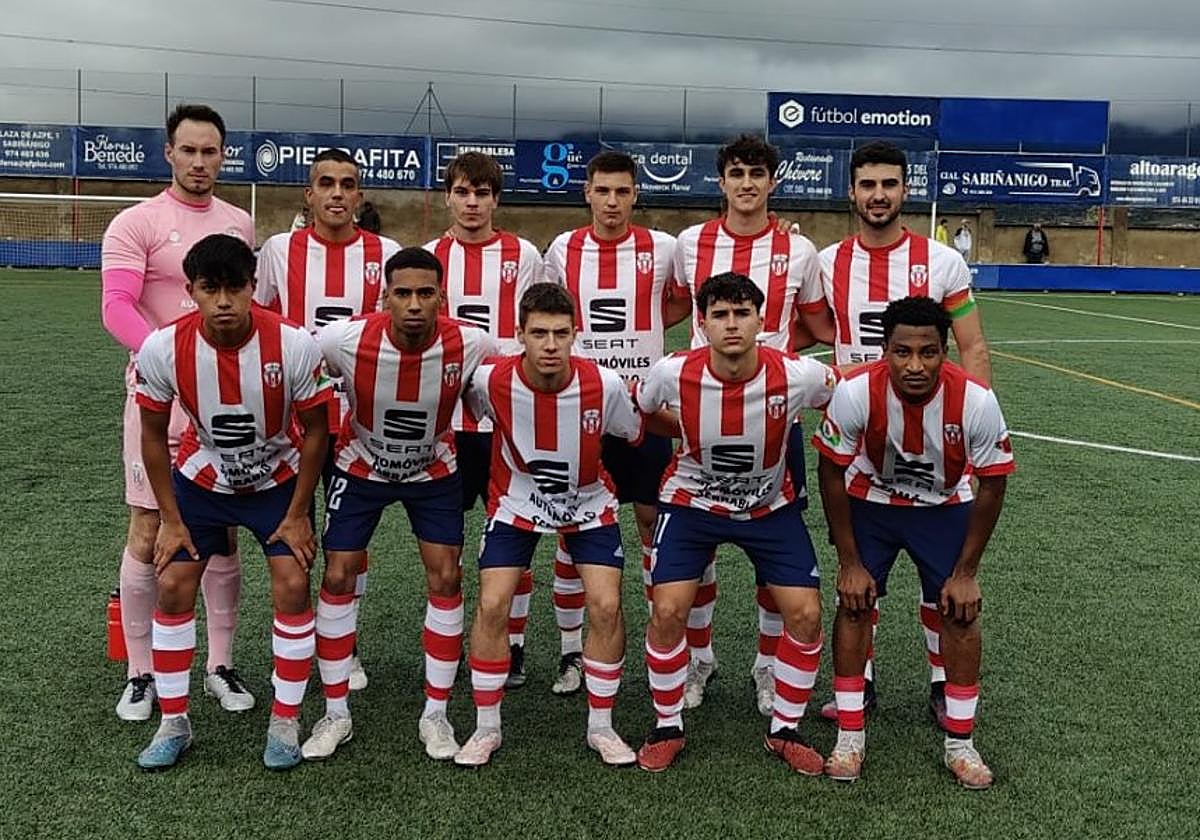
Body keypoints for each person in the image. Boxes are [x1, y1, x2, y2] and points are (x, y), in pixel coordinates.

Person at [132, 234, 332, 770]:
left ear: (252, 288)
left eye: (235, 288)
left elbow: (317, 432)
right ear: (191, 291)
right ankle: (174, 721)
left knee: (291, 582)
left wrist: (296, 515)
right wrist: (170, 520)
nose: (224, 301)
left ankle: (285, 721)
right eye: (210, 289)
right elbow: (153, 435)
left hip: (277, 481)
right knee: (173, 583)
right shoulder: (162, 348)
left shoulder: (293, 344)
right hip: (202, 481)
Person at [816, 140, 992, 726]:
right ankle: (857, 684)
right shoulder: (827, 261)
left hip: (933, 442)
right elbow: (808, 332)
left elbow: (971, 346)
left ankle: (944, 682)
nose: (878, 195)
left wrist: (973, 429)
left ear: (905, 190)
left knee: (938, 574)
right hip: (864, 443)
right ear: (851, 191)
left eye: (889, 184)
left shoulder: (940, 262)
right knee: (860, 579)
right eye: (867, 184)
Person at [633, 272, 838, 774]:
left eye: (742, 313)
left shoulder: (797, 375)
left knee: (807, 615)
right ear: (702, 323)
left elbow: (844, 401)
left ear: (761, 320)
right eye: (720, 315)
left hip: (768, 509)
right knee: (667, 611)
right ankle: (667, 724)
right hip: (692, 504)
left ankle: (785, 730)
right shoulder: (672, 371)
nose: (732, 324)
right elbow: (643, 411)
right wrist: (685, 428)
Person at [301, 248, 496, 763]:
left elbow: (505, 385)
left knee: (447, 578)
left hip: (433, 469)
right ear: (384, 296)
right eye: (402, 293)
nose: (414, 304)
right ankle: (336, 712)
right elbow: (300, 366)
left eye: (425, 294)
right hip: (360, 466)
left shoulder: (470, 343)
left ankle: (435, 713)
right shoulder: (344, 340)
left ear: (442, 298)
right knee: (338, 575)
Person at [813, 296, 1014, 788]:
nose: (916, 365)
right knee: (855, 603)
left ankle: (960, 744)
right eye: (902, 352)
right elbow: (831, 471)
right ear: (884, 350)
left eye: (929, 352)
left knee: (960, 611)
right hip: (872, 503)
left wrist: (966, 573)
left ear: (945, 351)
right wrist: (849, 561)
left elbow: (993, 483)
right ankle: (849, 735)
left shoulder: (975, 400)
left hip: (943, 507)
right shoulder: (857, 392)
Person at [101, 103, 256, 721]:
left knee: (221, 535)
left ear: (223, 155)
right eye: (188, 150)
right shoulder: (134, 223)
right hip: (160, 399)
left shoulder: (240, 223)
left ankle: (219, 664)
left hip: (227, 405)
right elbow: (116, 307)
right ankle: (141, 674)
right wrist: (171, 359)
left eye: (210, 151)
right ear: (169, 153)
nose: (199, 162)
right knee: (148, 530)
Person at [671, 134, 832, 715]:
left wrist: (774, 360)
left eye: (756, 173)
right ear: (721, 181)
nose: (746, 183)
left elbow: (816, 323)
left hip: (772, 420)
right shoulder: (690, 244)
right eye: (736, 172)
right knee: (698, 552)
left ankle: (768, 667)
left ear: (774, 181)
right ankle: (697, 660)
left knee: (774, 555)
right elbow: (668, 306)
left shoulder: (801, 250)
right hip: (699, 420)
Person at [454, 283, 645, 768]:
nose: (551, 344)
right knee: (494, 602)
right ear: (519, 334)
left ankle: (601, 727)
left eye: (561, 333)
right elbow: (476, 417)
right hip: (516, 502)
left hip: (588, 503)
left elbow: (628, 433)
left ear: (576, 334)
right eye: (539, 332)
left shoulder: (604, 384)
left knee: (605, 605)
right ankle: (486, 728)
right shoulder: (490, 381)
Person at [256, 148, 402, 691]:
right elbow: (261, 319)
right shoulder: (278, 250)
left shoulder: (385, 252)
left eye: (348, 184)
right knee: (294, 538)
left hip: (358, 423)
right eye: (326, 183)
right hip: (291, 424)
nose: (337, 193)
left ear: (360, 195)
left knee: (347, 546)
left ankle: (346, 644)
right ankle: (295, 642)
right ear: (308, 194)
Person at [541, 149, 684, 695]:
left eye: (622, 191)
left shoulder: (663, 248)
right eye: (603, 191)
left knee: (652, 522)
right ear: (587, 193)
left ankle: (659, 642)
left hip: (643, 412)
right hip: (582, 409)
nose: (612, 202)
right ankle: (572, 653)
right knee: (569, 529)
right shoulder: (563, 249)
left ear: (636, 195)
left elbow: (676, 305)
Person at [424, 151, 544, 689]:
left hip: (506, 422)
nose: (472, 203)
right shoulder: (428, 257)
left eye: (483, 194)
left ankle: (511, 646)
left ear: (496, 199)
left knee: (513, 536)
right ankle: (447, 646)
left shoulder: (525, 254)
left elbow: (538, 326)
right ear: (448, 195)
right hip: (446, 424)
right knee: (444, 547)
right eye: (463, 192)